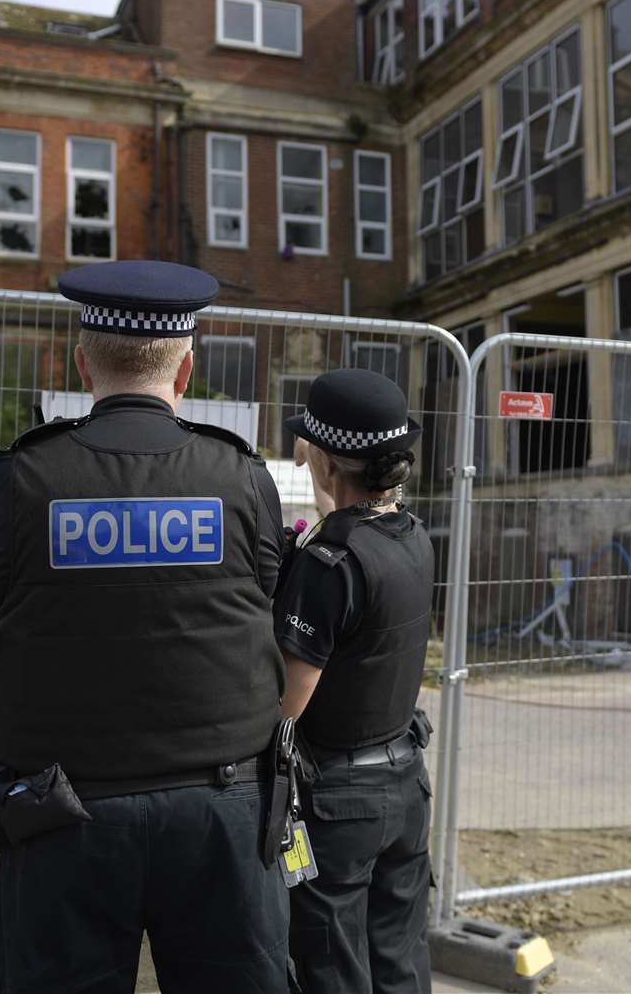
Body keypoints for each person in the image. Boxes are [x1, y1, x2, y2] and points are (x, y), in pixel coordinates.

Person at [0, 260, 290, 993]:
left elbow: (15, 595)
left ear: (83, 365)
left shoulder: (18, 480)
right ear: (185, 373)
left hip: (61, 814)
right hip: (222, 815)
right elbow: (262, 596)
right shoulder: (242, 478)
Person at [274, 368, 436, 994]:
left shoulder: (327, 564)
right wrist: (327, 478)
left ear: (322, 460)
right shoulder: (413, 536)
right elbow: (354, 526)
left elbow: (288, 703)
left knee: (333, 967)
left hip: (341, 801)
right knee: (398, 956)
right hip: (403, 783)